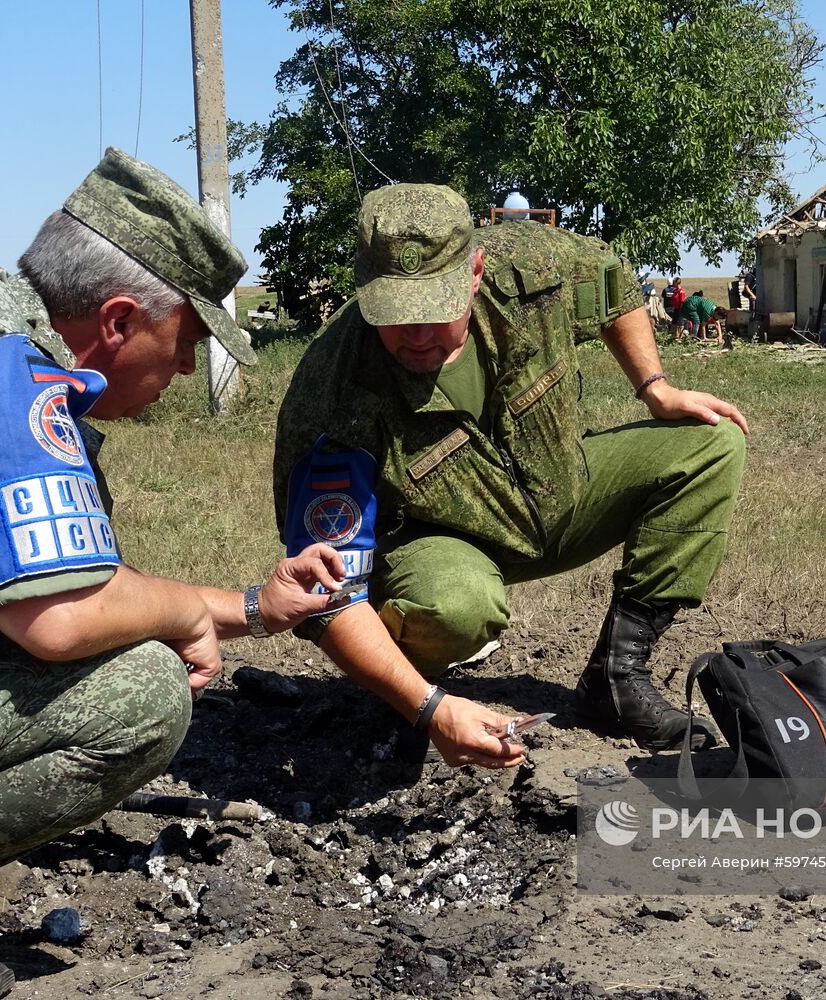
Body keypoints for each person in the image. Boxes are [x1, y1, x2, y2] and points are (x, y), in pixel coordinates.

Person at [0, 149, 344, 1000]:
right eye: (189, 339)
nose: (190, 369)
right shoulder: (4, 365)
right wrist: (180, 624)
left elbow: (76, 581)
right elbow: (59, 617)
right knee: (141, 692)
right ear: (120, 319)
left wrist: (247, 607)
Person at [273, 183, 749, 772]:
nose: (416, 333)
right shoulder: (330, 396)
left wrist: (655, 387)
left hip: (562, 496)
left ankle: (617, 679)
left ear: (475, 272)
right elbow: (324, 592)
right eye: (395, 314)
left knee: (711, 444)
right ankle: (407, 689)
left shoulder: (530, 268)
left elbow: (611, 281)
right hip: (443, 546)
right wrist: (426, 709)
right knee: (455, 605)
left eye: (436, 308)